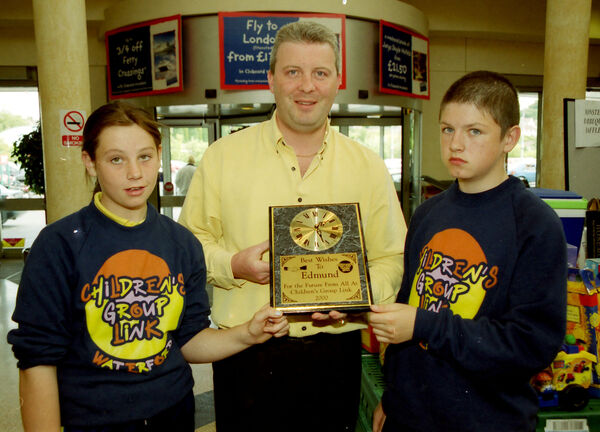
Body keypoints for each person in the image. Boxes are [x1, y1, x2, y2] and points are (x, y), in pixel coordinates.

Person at [178, 21, 407, 432]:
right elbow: (191, 243)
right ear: (270, 79)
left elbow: (392, 255)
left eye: (320, 73)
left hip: (334, 354)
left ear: (337, 81)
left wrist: (356, 294)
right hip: (246, 350)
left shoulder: (368, 166)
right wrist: (233, 265)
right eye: (292, 72)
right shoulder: (221, 158)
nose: (307, 86)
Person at [7, 101, 288, 432]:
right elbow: (37, 360)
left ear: (158, 154)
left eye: (144, 156)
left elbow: (189, 340)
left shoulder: (182, 244)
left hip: (173, 413)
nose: (135, 173)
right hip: (91, 420)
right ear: (90, 162)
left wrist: (247, 334)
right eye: (116, 159)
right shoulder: (59, 245)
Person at [368, 71, 567, 432]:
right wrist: (394, 395)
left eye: (474, 131)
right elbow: (409, 306)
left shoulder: (535, 223)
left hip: (486, 420)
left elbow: (530, 344)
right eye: (447, 129)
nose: (456, 144)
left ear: (510, 138)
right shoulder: (428, 213)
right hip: (409, 415)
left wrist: (424, 325)